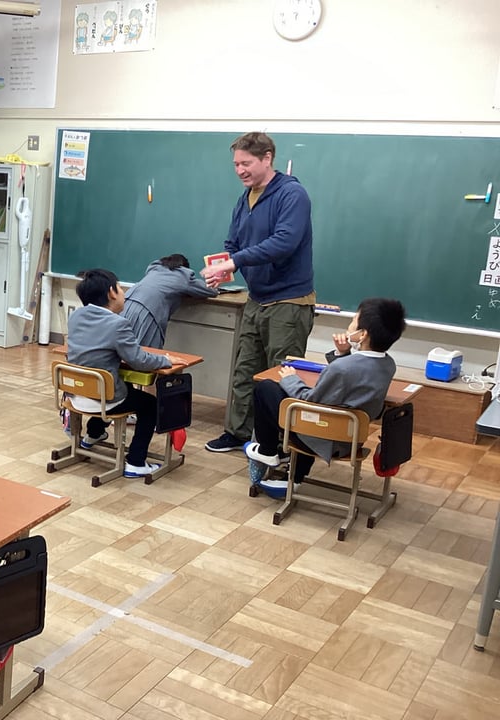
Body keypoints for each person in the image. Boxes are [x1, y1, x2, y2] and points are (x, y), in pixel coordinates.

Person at [201, 131, 316, 453]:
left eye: (246, 163)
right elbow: (233, 243)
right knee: (245, 371)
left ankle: (279, 443)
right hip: (257, 298)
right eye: (236, 164)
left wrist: (235, 261)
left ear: (267, 158)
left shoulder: (292, 194)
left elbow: (284, 242)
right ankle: (237, 433)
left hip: (289, 302)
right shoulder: (246, 197)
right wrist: (223, 268)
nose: (240, 170)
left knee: (282, 375)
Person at [244, 298, 406, 498]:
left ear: (363, 334)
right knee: (322, 413)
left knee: (266, 389)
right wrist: (343, 353)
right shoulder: (389, 365)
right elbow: (354, 382)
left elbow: (310, 400)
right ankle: (294, 478)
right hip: (350, 439)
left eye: (353, 320)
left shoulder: (341, 368)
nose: (349, 325)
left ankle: (268, 451)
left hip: (322, 437)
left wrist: (290, 379)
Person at [66, 268, 176, 478]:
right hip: (102, 397)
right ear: (111, 292)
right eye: (120, 287)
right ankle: (135, 462)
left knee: (123, 386)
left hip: (76, 393)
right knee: (150, 405)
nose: (124, 292)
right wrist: (166, 360)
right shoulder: (117, 324)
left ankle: (93, 435)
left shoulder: (76, 316)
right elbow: (139, 360)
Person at [122, 253, 218, 349]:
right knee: (147, 352)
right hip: (148, 312)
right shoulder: (183, 275)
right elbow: (210, 291)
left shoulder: (154, 269)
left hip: (125, 305)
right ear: (184, 267)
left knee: (122, 348)